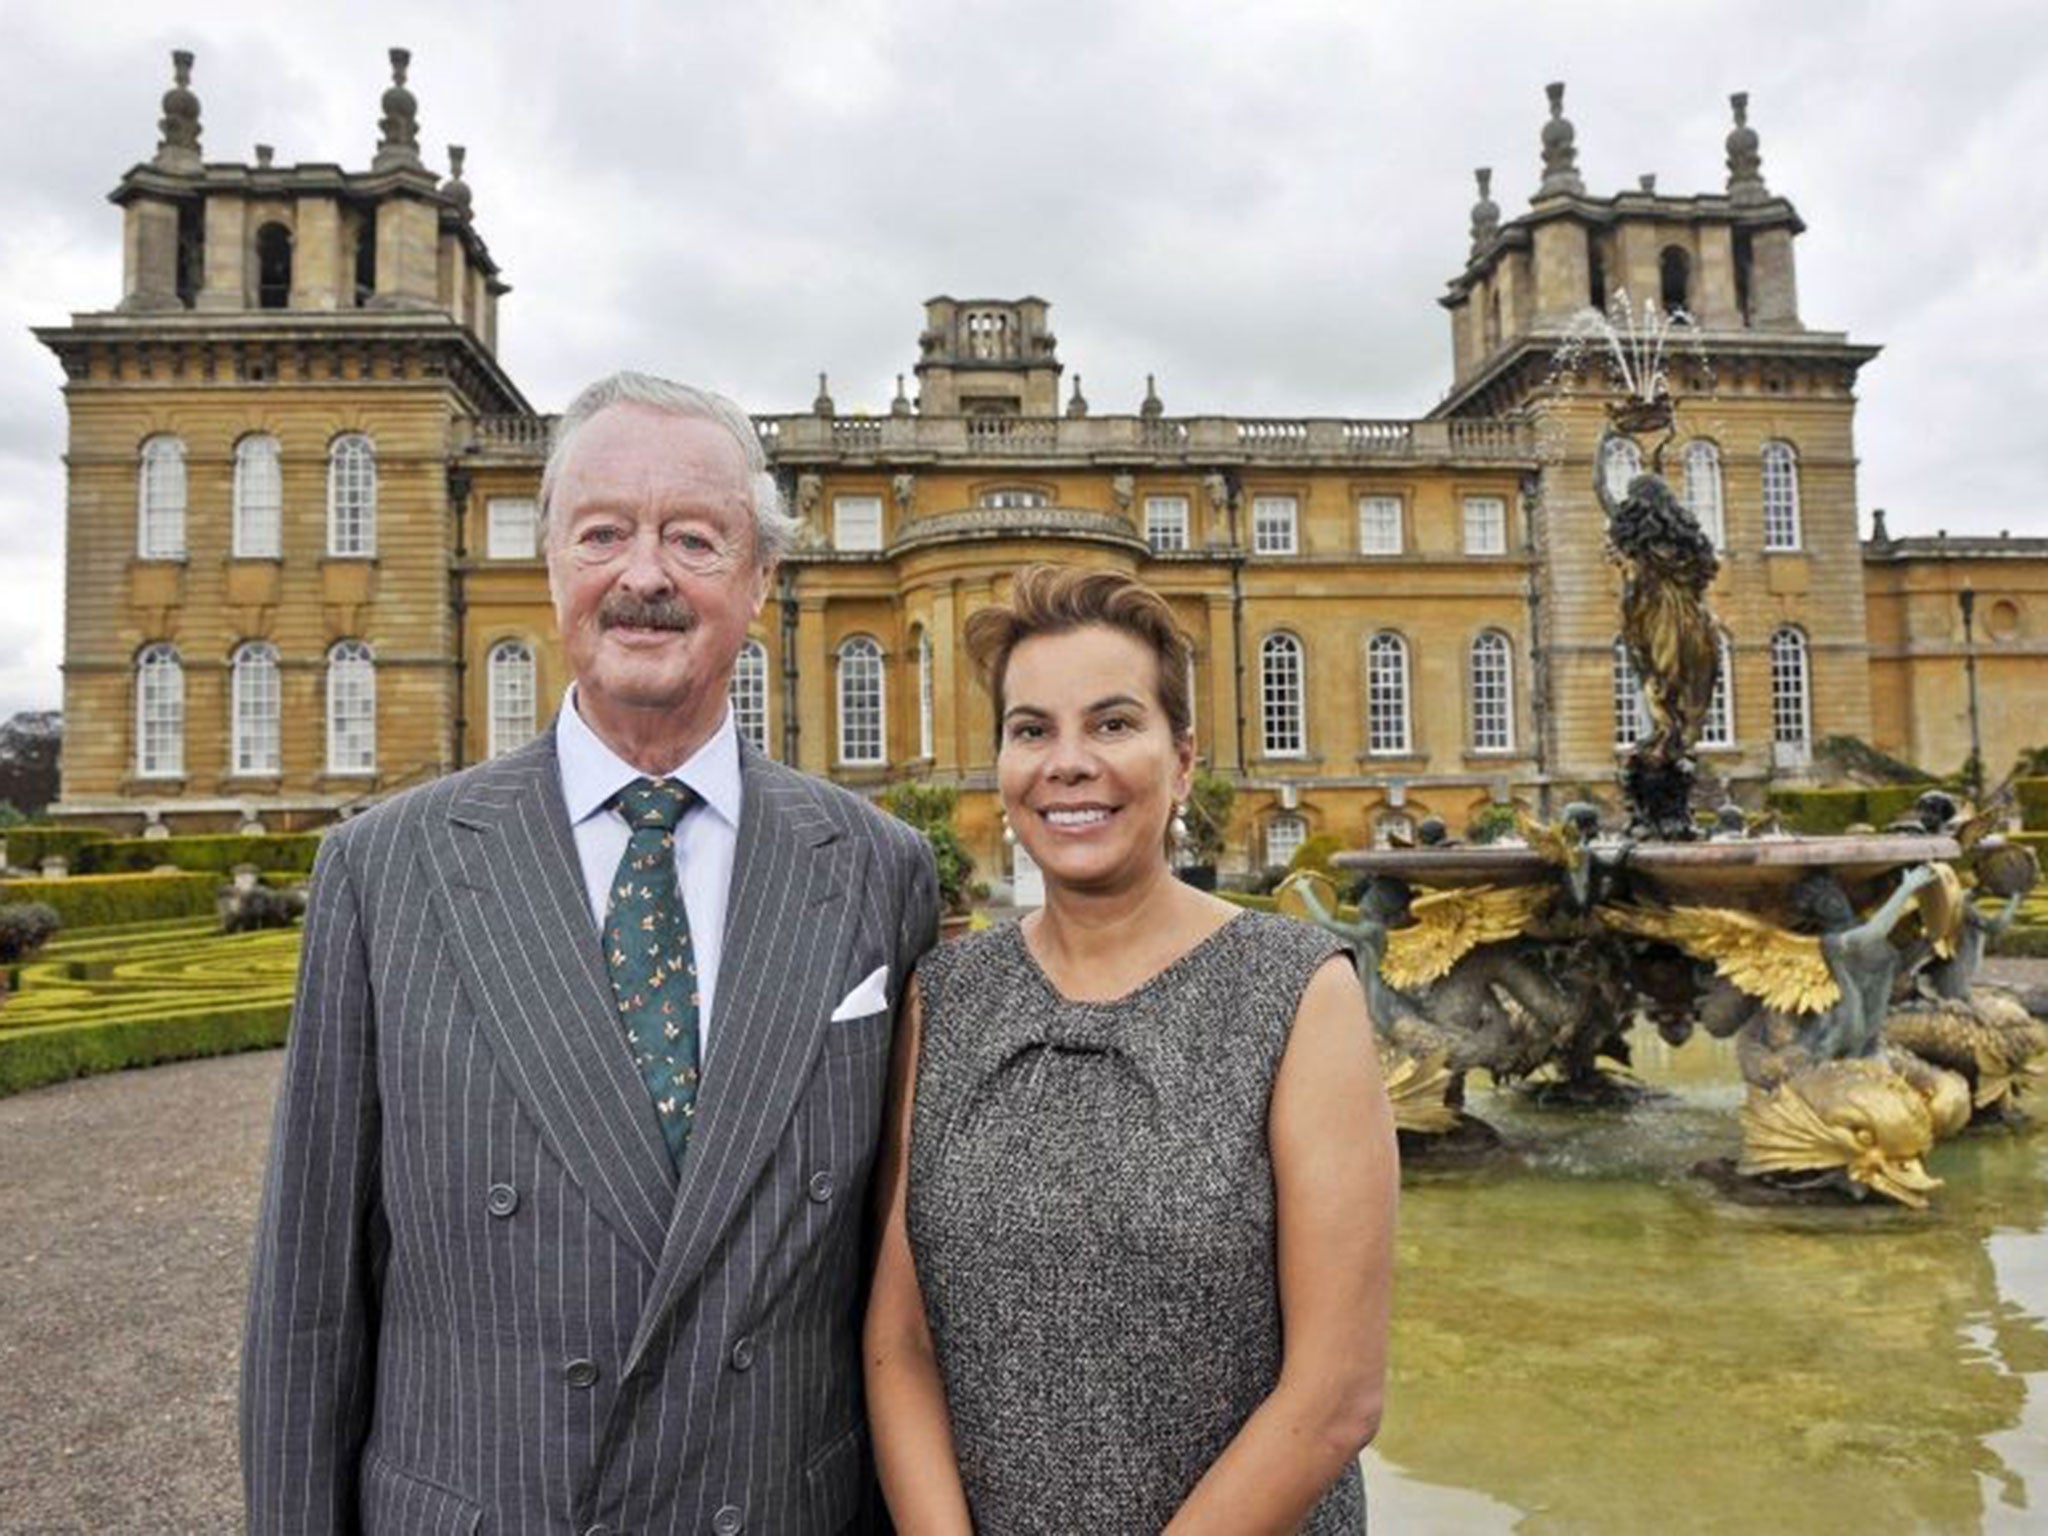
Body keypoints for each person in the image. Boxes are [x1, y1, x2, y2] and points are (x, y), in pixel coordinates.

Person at [241, 372, 938, 1534]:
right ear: (552, 564)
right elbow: (307, 1301)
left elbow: (900, 1279)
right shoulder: (384, 870)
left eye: (695, 539)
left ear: (761, 581)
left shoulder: (878, 866)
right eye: (603, 533)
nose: (646, 575)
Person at [865, 566, 1399, 1533]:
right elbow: (898, 1340)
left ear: (1183, 759)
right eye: (1032, 729)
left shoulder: (1295, 988)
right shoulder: (944, 996)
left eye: (1113, 724)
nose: (1068, 763)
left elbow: (1337, 1395)